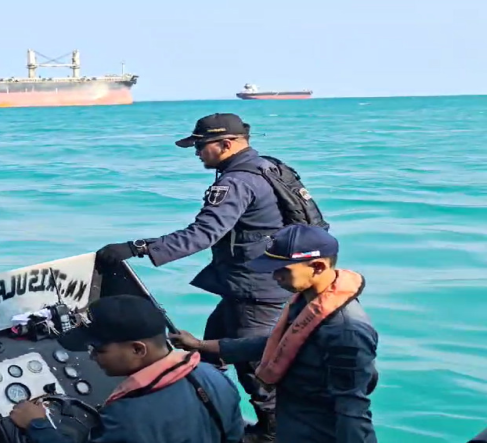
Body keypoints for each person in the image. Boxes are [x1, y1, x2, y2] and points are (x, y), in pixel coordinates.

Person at [95, 113, 328, 440]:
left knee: (257, 373)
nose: (197, 153)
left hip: (254, 294)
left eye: (201, 146)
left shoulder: (235, 182)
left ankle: (270, 433)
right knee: (206, 355)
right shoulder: (269, 167)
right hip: (261, 284)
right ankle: (201, 408)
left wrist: (137, 248)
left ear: (226, 144)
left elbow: (201, 235)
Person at [169, 224, 378, 443]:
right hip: (291, 423)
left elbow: (352, 411)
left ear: (317, 266)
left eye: (284, 270)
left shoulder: (347, 331)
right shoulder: (307, 302)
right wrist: (200, 345)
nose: (275, 277)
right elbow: (275, 344)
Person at [9, 295, 245, 443]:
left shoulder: (128, 416)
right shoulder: (211, 375)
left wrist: (37, 425)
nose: (91, 357)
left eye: (98, 350)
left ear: (138, 349)